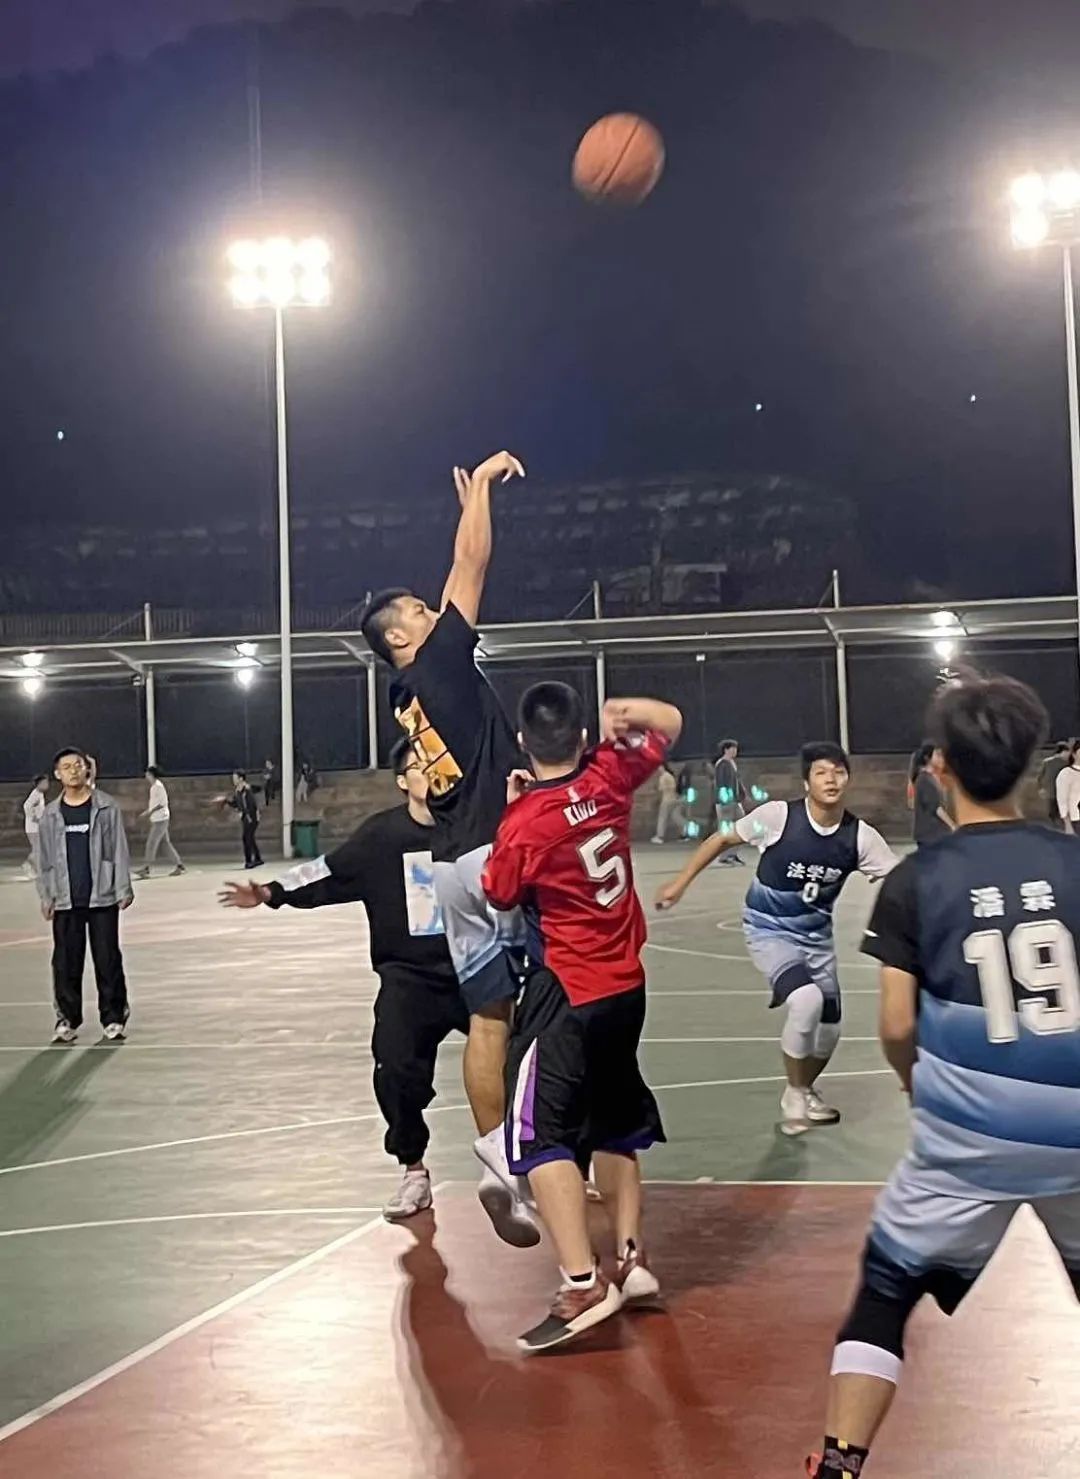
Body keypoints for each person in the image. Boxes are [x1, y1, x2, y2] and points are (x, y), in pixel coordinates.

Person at [806, 673, 1080, 1479]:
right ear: (1032, 763)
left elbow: (897, 1025)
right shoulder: (1073, 863)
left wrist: (913, 1081)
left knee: (885, 1293)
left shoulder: (915, 881)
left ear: (938, 767)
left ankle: (840, 1465)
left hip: (966, 1143)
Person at [360, 449, 537, 1249]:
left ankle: (499, 1161)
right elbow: (472, 564)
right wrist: (486, 487)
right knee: (558, 1004)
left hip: (454, 864)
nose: (435, 610)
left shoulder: (407, 696)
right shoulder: (436, 662)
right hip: (500, 854)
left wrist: (470, 503)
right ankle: (551, 1150)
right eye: (420, 610)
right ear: (401, 635)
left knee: (487, 1017)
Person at [482, 684, 682, 1352]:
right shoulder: (609, 774)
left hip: (565, 990)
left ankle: (581, 1283)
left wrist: (513, 809)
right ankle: (630, 1257)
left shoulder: (527, 821)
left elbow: (499, 891)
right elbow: (670, 722)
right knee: (614, 1124)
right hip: (626, 985)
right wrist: (626, 710)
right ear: (582, 737)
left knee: (538, 1138)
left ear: (522, 743)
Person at [220, 740, 466, 1222]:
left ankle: (548, 1165)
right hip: (409, 979)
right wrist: (271, 892)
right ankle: (414, 1171)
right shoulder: (381, 836)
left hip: (475, 970)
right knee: (394, 1068)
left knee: (530, 1056)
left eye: (438, 762)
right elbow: (328, 872)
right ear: (403, 781)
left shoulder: (473, 827)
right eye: (419, 765)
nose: (432, 771)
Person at [657, 742, 897, 1135]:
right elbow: (722, 839)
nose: (831, 779)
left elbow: (899, 878)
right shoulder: (777, 818)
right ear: (806, 782)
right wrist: (680, 883)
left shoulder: (860, 838)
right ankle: (797, 1096)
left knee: (830, 1030)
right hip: (768, 928)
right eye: (821, 772)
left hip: (816, 939)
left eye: (838, 772)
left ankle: (801, 1087)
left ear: (848, 779)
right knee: (806, 1001)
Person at [36, 746, 133, 1045]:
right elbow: (44, 859)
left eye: (78, 765)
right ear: (57, 774)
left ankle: (113, 1017)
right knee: (66, 962)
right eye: (66, 767)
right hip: (65, 899)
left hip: (102, 896)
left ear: (87, 769)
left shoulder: (106, 807)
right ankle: (67, 1019)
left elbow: (118, 849)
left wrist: (122, 887)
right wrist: (46, 895)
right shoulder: (50, 815)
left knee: (107, 959)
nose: (73, 771)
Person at [134, 766, 185, 879]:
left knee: (151, 843)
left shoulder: (158, 787)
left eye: (147, 774)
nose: (146, 776)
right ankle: (179, 865)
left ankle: (146, 868)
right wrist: (148, 812)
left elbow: (162, 803)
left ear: (151, 775)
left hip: (161, 819)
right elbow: (155, 804)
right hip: (159, 818)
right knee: (165, 844)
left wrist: (149, 812)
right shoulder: (155, 787)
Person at [910, 741, 955, 847]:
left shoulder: (929, 778)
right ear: (927, 758)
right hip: (930, 835)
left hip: (934, 834)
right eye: (937, 755)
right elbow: (936, 807)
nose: (940, 758)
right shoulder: (924, 779)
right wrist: (952, 825)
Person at [216, 771, 262, 869]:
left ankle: (249, 861)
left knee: (247, 838)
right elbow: (236, 803)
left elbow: (252, 805)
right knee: (249, 838)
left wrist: (247, 815)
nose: (233, 780)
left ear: (241, 778)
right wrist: (226, 801)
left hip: (251, 817)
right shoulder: (238, 791)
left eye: (235, 778)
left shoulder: (247, 790)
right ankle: (257, 859)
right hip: (245, 817)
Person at [714, 738, 748, 865]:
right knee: (727, 829)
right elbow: (721, 783)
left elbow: (736, 781)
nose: (735, 751)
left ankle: (732, 854)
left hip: (734, 801)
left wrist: (742, 794)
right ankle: (725, 856)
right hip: (726, 802)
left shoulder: (731, 763)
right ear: (726, 750)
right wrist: (726, 799)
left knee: (740, 826)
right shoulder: (722, 764)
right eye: (733, 749)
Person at [650, 762, 686, 843]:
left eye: (658, 767)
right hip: (673, 799)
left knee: (662, 818)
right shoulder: (670, 776)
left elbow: (661, 790)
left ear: (662, 767)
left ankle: (660, 836)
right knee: (676, 816)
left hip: (666, 800)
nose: (658, 769)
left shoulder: (664, 776)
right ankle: (684, 833)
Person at [1037, 740, 1071, 825]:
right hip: (1061, 792)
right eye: (1067, 752)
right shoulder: (1066, 763)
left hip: (1050, 792)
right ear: (1063, 751)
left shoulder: (1046, 762)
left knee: (1053, 813)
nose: (1068, 754)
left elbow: (1040, 777)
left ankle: (1054, 826)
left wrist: (1041, 788)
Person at [22, 773, 48, 879]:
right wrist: (34, 818)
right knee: (37, 849)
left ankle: (32, 867)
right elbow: (27, 806)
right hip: (33, 828)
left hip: (37, 827)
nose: (47, 785)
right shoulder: (35, 794)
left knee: (38, 849)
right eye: (45, 782)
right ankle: (30, 866)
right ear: (39, 784)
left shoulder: (39, 794)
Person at [1056, 740, 1080, 835]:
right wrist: (1067, 823)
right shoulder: (1066, 773)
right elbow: (1062, 800)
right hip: (1076, 819)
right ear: (1074, 754)